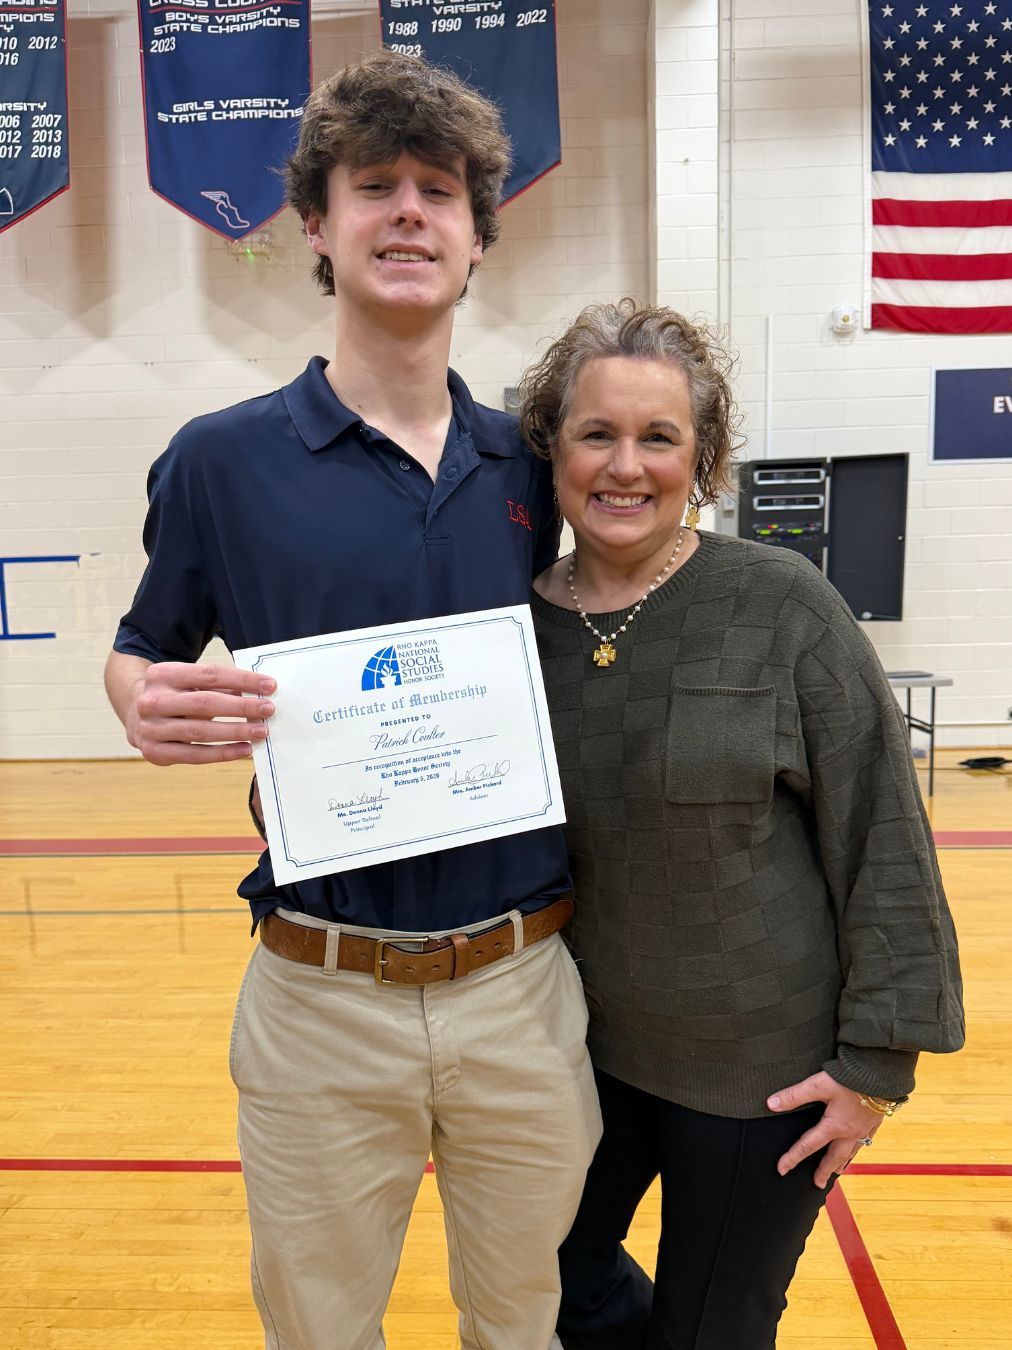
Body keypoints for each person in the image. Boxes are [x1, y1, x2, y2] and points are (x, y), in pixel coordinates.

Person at [104, 53, 600, 1350]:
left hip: (523, 984)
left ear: (479, 239)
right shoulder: (221, 460)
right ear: (316, 225)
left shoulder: (538, 466)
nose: (408, 213)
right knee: (321, 1334)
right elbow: (141, 644)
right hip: (319, 994)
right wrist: (139, 702)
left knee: (525, 1327)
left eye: (440, 192)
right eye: (372, 185)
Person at [519, 299, 965, 1349]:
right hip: (582, 1052)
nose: (625, 466)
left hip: (760, 1067)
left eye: (659, 437)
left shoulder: (783, 605)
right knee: (549, 1282)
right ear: (551, 447)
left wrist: (875, 1069)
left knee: (715, 1327)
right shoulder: (510, 628)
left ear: (703, 456)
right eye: (596, 433)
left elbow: (883, 837)